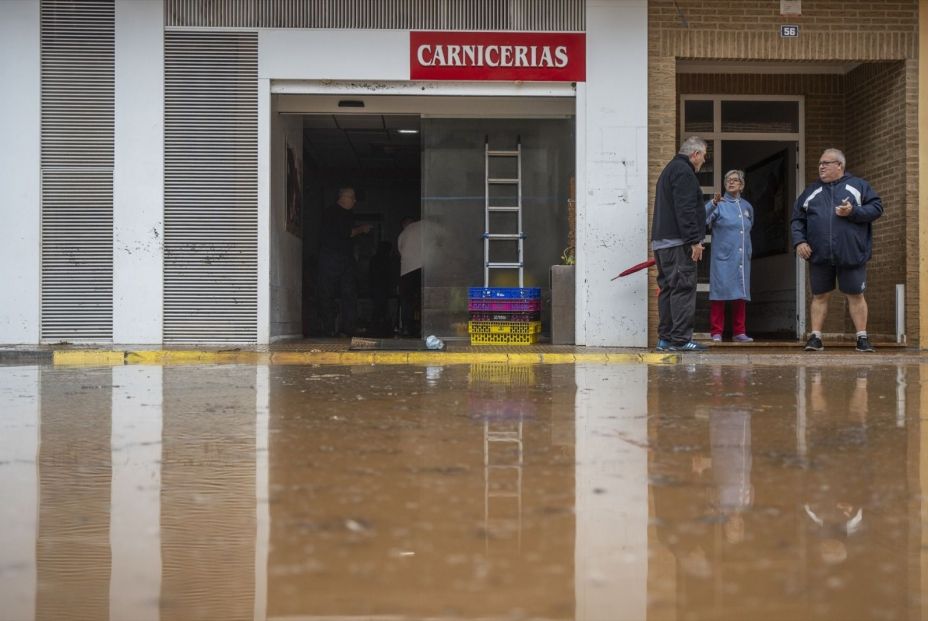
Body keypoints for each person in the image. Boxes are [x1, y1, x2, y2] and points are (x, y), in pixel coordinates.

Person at [791, 149, 883, 352]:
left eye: (826, 163)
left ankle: (862, 338)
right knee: (819, 295)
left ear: (839, 165)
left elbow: (877, 208)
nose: (821, 167)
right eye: (820, 163)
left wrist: (853, 211)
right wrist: (799, 242)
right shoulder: (811, 191)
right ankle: (815, 338)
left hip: (851, 252)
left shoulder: (858, 186)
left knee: (856, 294)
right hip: (819, 253)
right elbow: (797, 219)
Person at [651, 136, 710, 352]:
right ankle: (681, 340)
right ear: (694, 154)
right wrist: (694, 240)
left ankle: (666, 339)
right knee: (683, 288)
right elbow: (684, 209)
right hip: (678, 243)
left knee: (668, 289)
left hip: (662, 243)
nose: (703, 161)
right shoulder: (684, 172)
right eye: (703, 156)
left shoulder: (669, 170)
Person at [705, 169, 754, 343]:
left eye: (735, 180)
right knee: (719, 294)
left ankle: (739, 331)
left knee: (740, 293)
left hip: (741, 257)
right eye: (728, 180)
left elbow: (748, 227)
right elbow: (702, 218)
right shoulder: (719, 204)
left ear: (741, 185)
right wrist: (712, 203)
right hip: (723, 257)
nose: (731, 182)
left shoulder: (747, 207)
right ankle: (716, 331)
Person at [316, 186, 372, 337]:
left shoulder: (344, 213)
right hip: (332, 258)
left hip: (343, 258)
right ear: (343, 197)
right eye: (352, 197)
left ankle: (346, 328)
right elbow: (346, 232)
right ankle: (330, 328)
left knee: (348, 293)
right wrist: (362, 229)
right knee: (330, 293)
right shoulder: (334, 212)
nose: (354, 201)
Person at [397, 217, 422, 337]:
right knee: (423, 300)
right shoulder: (423, 230)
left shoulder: (403, 234)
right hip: (424, 268)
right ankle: (424, 327)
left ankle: (407, 327)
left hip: (407, 271)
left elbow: (401, 251)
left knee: (407, 301)